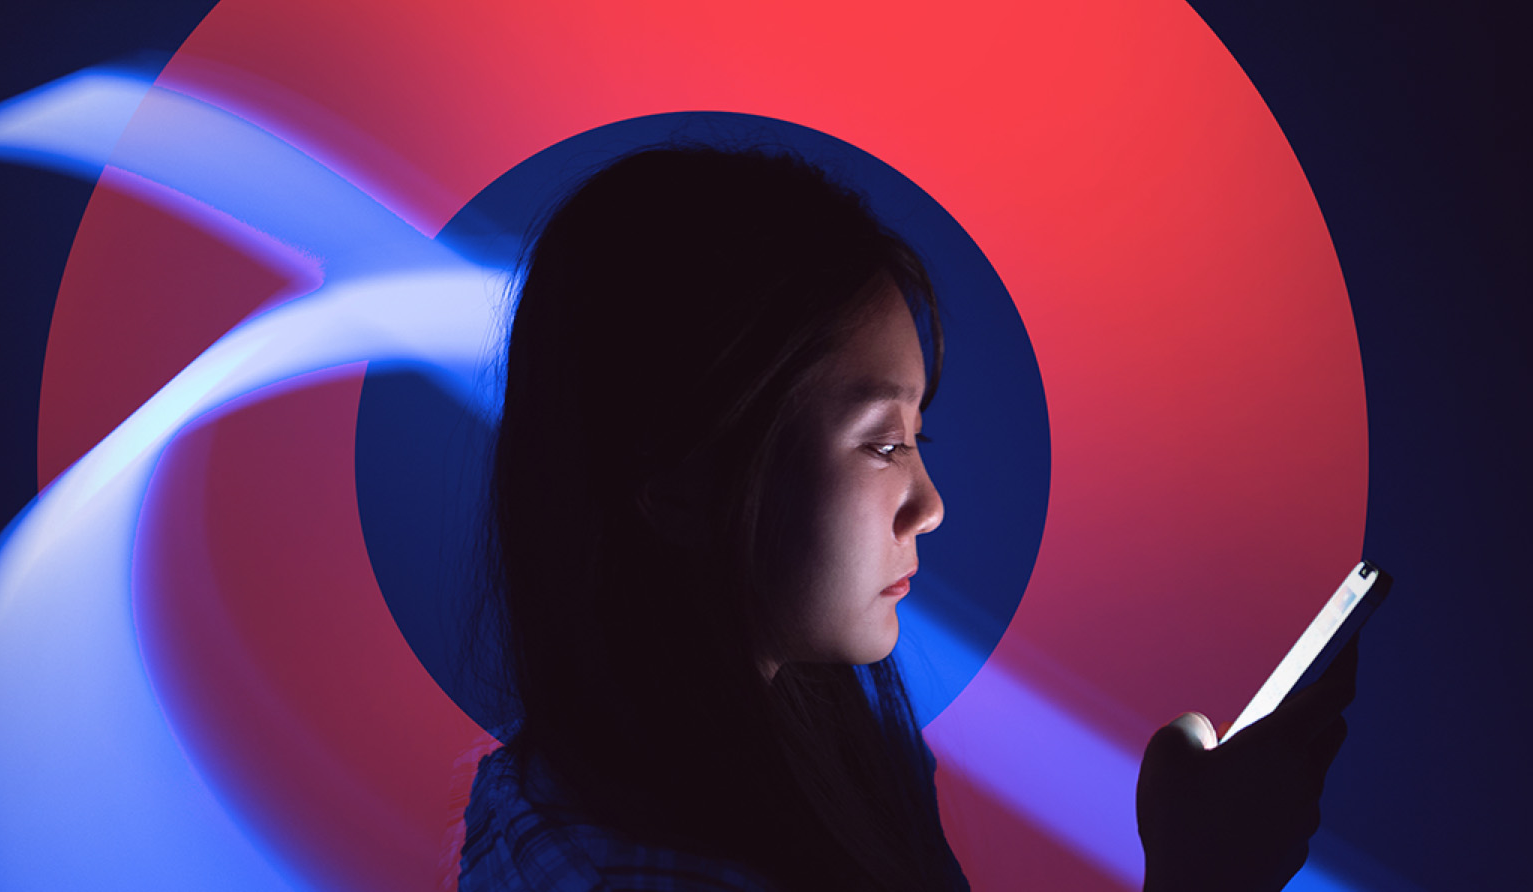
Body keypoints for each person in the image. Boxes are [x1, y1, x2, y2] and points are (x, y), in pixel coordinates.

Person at [458, 146, 1357, 892]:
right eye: (883, 444)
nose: (930, 507)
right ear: (683, 484)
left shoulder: (800, 760)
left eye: (918, 435)